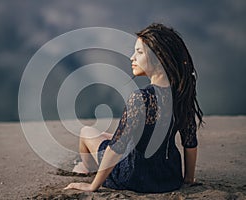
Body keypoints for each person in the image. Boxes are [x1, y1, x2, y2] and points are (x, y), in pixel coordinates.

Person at [64, 23, 204, 193]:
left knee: (87, 132)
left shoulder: (141, 98)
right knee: (115, 136)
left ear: (159, 57)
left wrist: (93, 186)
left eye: (138, 52)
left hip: (134, 177)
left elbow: (117, 147)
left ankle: (87, 168)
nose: (132, 57)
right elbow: (190, 141)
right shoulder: (182, 94)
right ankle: (88, 166)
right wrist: (188, 179)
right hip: (169, 177)